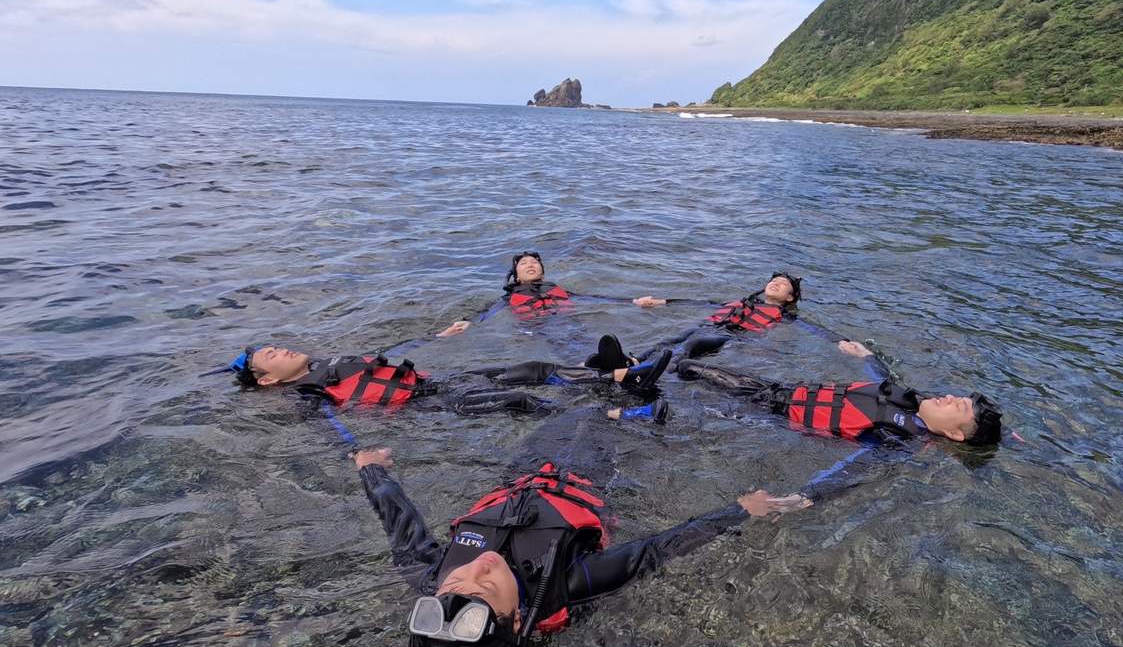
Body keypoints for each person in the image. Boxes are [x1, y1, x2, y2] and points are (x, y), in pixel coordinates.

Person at [350, 409, 814, 647]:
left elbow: (400, 520)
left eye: (456, 581)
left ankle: (610, 401)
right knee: (605, 423)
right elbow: (655, 550)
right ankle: (624, 412)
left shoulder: (429, 576)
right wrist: (740, 510)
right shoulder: (566, 584)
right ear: (515, 622)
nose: (479, 566)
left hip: (527, 470)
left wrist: (371, 468)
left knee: (575, 413)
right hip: (590, 476)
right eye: (486, 589)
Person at [226, 343, 673, 421]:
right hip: (431, 408)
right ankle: (619, 412)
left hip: (442, 382)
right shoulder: (306, 395)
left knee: (533, 368)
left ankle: (623, 375)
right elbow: (330, 427)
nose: (282, 349)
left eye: (277, 345)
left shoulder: (324, 363)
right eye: (271, 356)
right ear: (267, 382)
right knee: (517, 398)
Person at [674, 344, 1002, 446]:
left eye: (957, 405)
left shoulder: (896, 438)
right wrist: (867, 356)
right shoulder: (914, 402)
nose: (947, 396)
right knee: (690, 365)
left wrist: (804, 497)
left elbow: (850, 471)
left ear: (954, 434)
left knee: (687, 368)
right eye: (956, 395)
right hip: (780, 390)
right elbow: (885, 384)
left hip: (767, 411)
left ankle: (645, 370)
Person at [435, 251, 669, 337]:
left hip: (569, 324)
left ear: (543, 273)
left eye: (535, 262)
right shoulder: (507, 299)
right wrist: (467, 324)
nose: (530, 264)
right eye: (524, 263)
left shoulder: (559, 291)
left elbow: (595, 299)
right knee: (568, 343)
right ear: (516, 277)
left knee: (583, 338)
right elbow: (487, 313)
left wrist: (635, 301)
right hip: (539, 329)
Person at [598, 272, 805, 367]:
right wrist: (658, 302)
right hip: (709, 325)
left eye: (783, 284)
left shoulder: (785, 315)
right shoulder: (742, 302)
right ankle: (634, 361)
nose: (776, 283)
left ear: (790, 298)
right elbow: (699, 302)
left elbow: (813, 329)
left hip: (732, 335)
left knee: (693, 344)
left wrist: (837, 341)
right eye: (773, 280)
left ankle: (655, 371)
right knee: (671, 339)